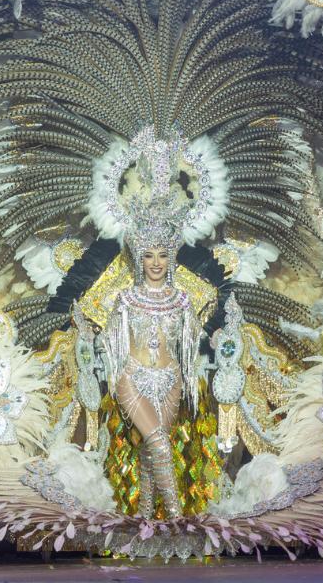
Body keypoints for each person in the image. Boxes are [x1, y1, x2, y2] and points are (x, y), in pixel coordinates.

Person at [99, 197, 204, 519]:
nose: (156, 263)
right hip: (134, 377)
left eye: (162, 255)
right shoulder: (126, 299)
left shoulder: (183, 301)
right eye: (148, 256)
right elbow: (111, 340)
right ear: (139, 260)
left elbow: (191, 344)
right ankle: (176, 519)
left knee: (151, 449)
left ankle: (144, 517)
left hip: (171, 379)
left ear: (171, 258)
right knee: (159, 443)